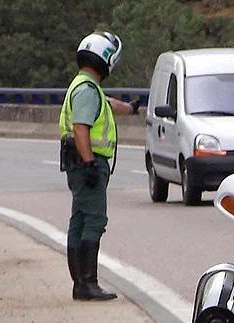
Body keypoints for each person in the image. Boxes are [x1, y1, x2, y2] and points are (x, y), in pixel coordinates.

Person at [58, 31, 140, 301]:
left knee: (80, 219)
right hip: (86, 164)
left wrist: (131, 108)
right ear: (108, 59)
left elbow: (108, 104)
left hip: (78, 163)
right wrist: (91, 163)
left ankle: (81, 284)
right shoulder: (86, 90)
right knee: (93, 220)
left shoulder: (85, 86)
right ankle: (86, 284)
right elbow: (81, 127)